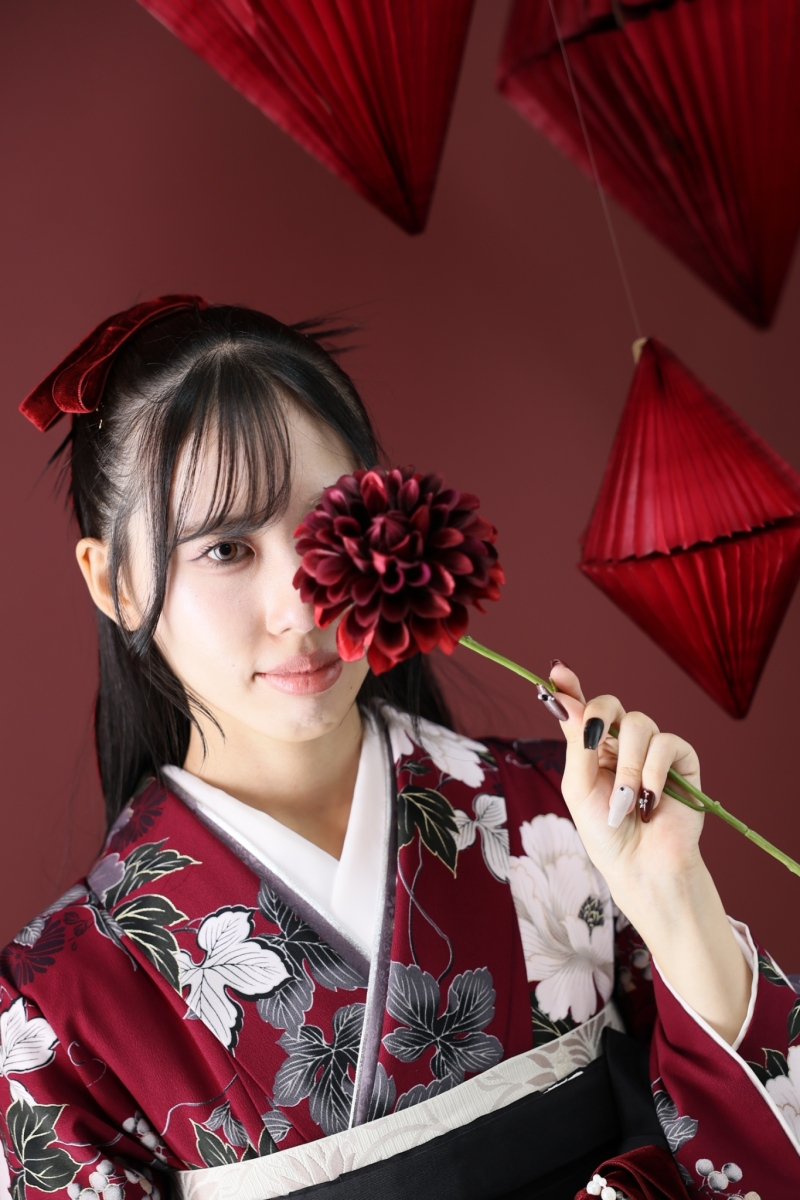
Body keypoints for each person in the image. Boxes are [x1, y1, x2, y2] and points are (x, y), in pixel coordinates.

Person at [1, 298, 797, 1200]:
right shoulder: (60, 1009)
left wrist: (675, 900)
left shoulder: (563, 820)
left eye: (325, 528)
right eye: (225, 550)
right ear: (113, 579)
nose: (301, 606)